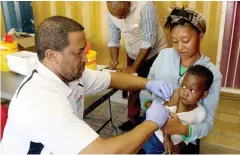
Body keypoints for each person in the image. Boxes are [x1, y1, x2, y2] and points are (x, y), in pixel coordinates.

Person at [0, 16, 173, 154]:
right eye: (78, 52)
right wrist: (152, 122)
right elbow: (103, 153)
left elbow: (113, 78)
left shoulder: (71, 75)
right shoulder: (41, 101)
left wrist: (149, 84)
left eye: (84, 49)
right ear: (52, 55)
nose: (85, 57)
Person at [139, 7, 222, 154]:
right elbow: (147, 86)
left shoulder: (212, 73)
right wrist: (150, 106)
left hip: (183, 140)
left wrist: (182, 129)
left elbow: (207, 123)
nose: (180, 47)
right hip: (152, 126)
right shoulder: (164, 55)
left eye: (186, 41)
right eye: (175, 41)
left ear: (201, 35)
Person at [107, 1, 168, 131]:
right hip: (133, 53)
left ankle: (156, 122)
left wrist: (134, 68)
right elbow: (113, 39)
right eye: (116, 16)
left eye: (122, 15)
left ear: (129, 3)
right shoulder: (112, 12)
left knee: (154, 89)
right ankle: (132, 119)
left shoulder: (145, 5)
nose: (120, 19)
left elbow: (148, 41)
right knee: (132, 86)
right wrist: (113, 60)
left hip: (155, 53)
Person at [142, 65, 214, 154]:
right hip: (156, 137)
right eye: (183, 86)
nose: (185, 93)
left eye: (192, 90)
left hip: (172, 145)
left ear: (204, 94)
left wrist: (180, 145)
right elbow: (163, 116)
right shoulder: (176, 96)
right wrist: (166, 138)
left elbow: (190, 135)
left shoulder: (200, 113)